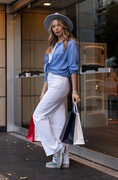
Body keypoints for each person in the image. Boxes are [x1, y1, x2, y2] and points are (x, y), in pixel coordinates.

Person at [33, 12, 80, 169]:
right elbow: (47, 74)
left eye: (58, 25)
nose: (56, 28)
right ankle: (63, 160)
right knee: (59, 122)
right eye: (53, 26)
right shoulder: (51, 47)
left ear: (64, 26)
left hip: (61, 82)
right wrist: (43, 91)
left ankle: (55, 148)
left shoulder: (71, 43)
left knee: (38, 116)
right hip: (52, 83)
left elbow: (74, 68)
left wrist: (75, 91)